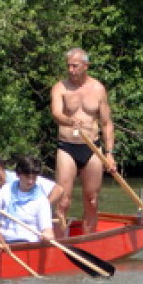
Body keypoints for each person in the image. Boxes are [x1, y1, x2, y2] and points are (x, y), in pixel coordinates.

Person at [51, 47, 116, 234]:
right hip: (67, 147)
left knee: (92, 199)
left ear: (86, 66)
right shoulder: (60, 87)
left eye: (75, 66)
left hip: (92, 148)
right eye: (68, 66)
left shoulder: (98, 89)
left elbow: (106, 123)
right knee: (63, 200)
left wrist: (110, 154)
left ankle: (89, 241)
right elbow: (56, 113)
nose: (71, 70)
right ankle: (59, 243)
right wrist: (69, 120)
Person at [0, 156, 55, 243]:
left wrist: (48, 236)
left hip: (27, 242)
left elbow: (47, 230)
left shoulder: (41, 200)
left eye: (34, 178)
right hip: (3, 241)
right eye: (27, 177)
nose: (30, 181)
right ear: (18, 174)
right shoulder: (6, 189)